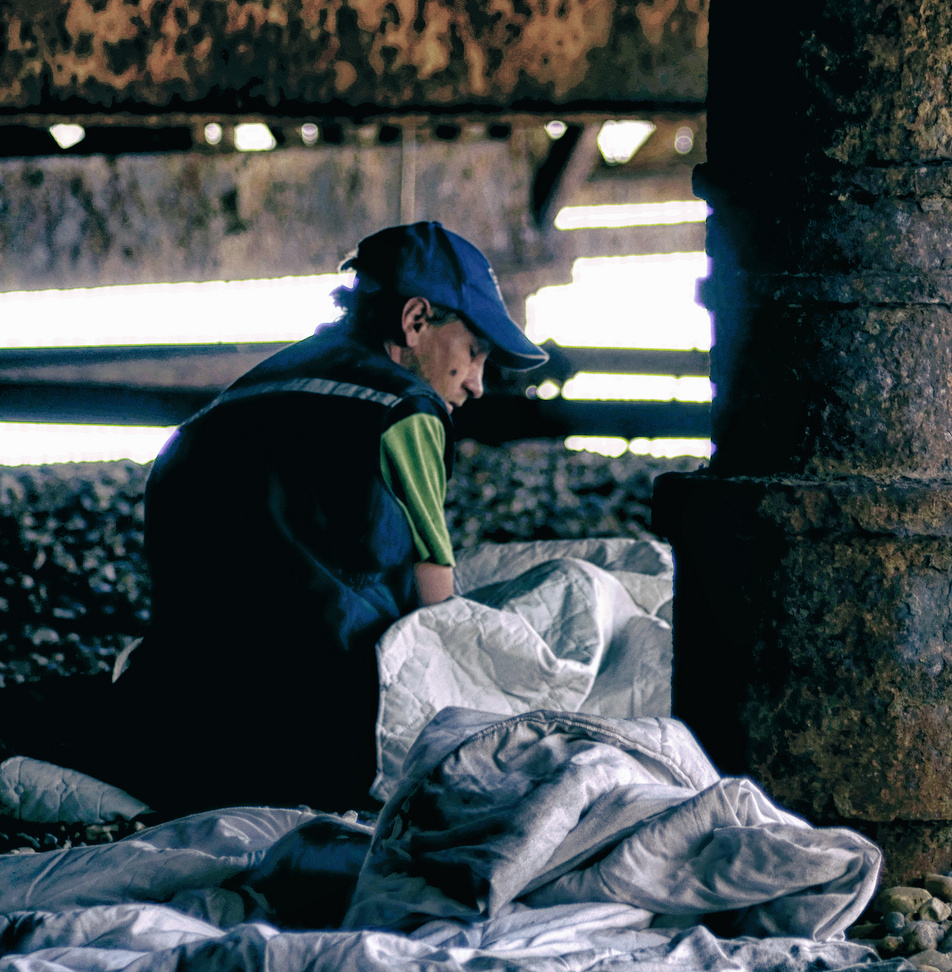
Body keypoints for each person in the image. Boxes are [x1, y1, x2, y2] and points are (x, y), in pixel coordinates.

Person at [0, 222, 546, 815]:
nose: (477, 384)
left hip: (179, 724)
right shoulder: (404, 412)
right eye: (474, 354)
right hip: (317, 744)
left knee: (52, 716)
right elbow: (438, 611)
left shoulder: (236, 401)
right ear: (416, 321)